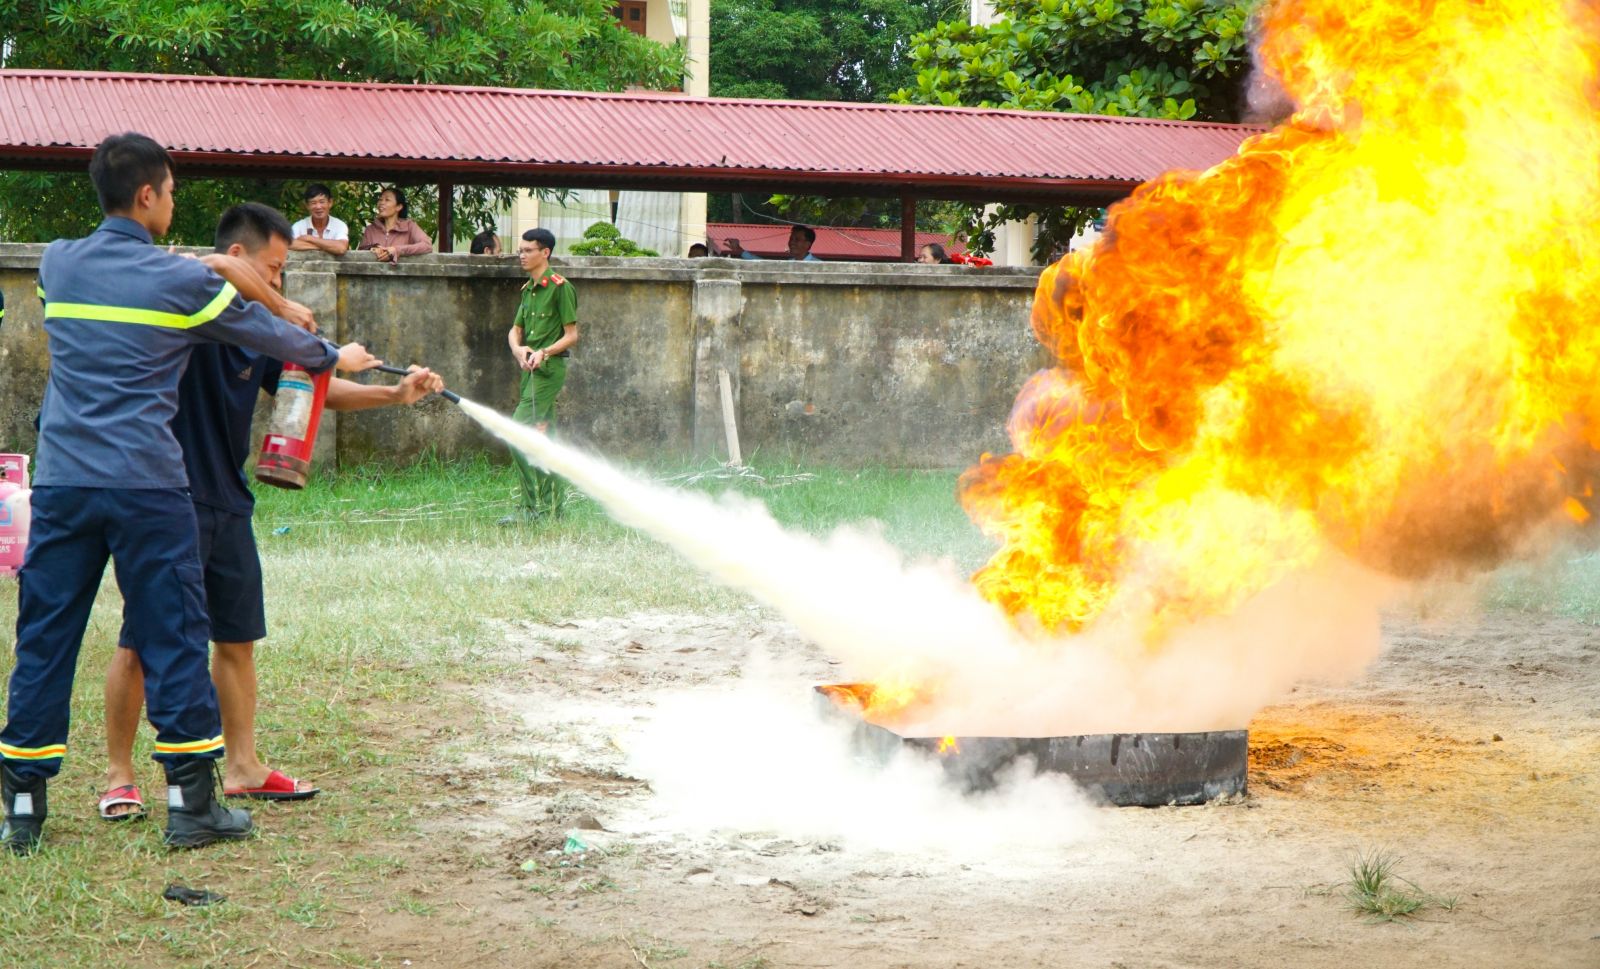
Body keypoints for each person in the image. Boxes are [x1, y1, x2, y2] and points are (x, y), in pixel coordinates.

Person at [0, 132, 380, 855]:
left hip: (65, 483)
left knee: (44, 638)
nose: (174, 203)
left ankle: (22, 810)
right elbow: (277, 341)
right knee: (173, 637)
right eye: (171, 192)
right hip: (148, 485)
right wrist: (336, 354)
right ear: (147, 195)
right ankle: (192, 806)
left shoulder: (57, 264)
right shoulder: (181, 285)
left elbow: (162, 274)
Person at [96, 203, 444, 820]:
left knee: (237, 638)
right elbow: (205, 270)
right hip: (167, 498)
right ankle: (119, 776)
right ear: (238, 258)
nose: (281, 282)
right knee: (142, 639)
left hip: (228, 499)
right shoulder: (182, 304)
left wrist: (393, 393)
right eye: (275, 268)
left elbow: (311, 386)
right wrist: (317, 338)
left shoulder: (257, 332)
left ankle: (244, 767)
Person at [503, 228, 579, 522]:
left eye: (528, 250)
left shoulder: (560, 287)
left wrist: (544, 352)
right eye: (520, 250)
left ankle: (530, 507)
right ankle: (553, 508)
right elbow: (515, 330)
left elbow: (571, 335)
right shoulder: (528, 289)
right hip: (529, 370)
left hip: (548, 370)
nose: (521, 255)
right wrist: (518, 349)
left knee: (517, 432)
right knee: (545, 436)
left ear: (545, 252)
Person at [358, 187, 433, 264]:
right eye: (380, 200)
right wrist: (372, 249)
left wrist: (397, 250)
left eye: (387, 200)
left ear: (398, 207)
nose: (381, 203)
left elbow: (427, 245)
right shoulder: (370, 229)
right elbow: (361, 253)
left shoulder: (409, 226)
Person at [289, 183, 350, 255]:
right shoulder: (299, 226)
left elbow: (341, 248)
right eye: (313, 203)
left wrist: (309, 238)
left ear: (330, 203)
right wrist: (325, 247)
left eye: (322, 202)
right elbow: (288, 244)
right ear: (307, 206)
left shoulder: (339, 225)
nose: (318, 207)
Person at [723, 225, 820, 261]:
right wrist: (739, 250)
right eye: (791, 239)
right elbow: (764, 265)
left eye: (797, 239)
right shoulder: (788, 264)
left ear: (807, 244)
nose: (792, 243)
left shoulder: (821, 267)